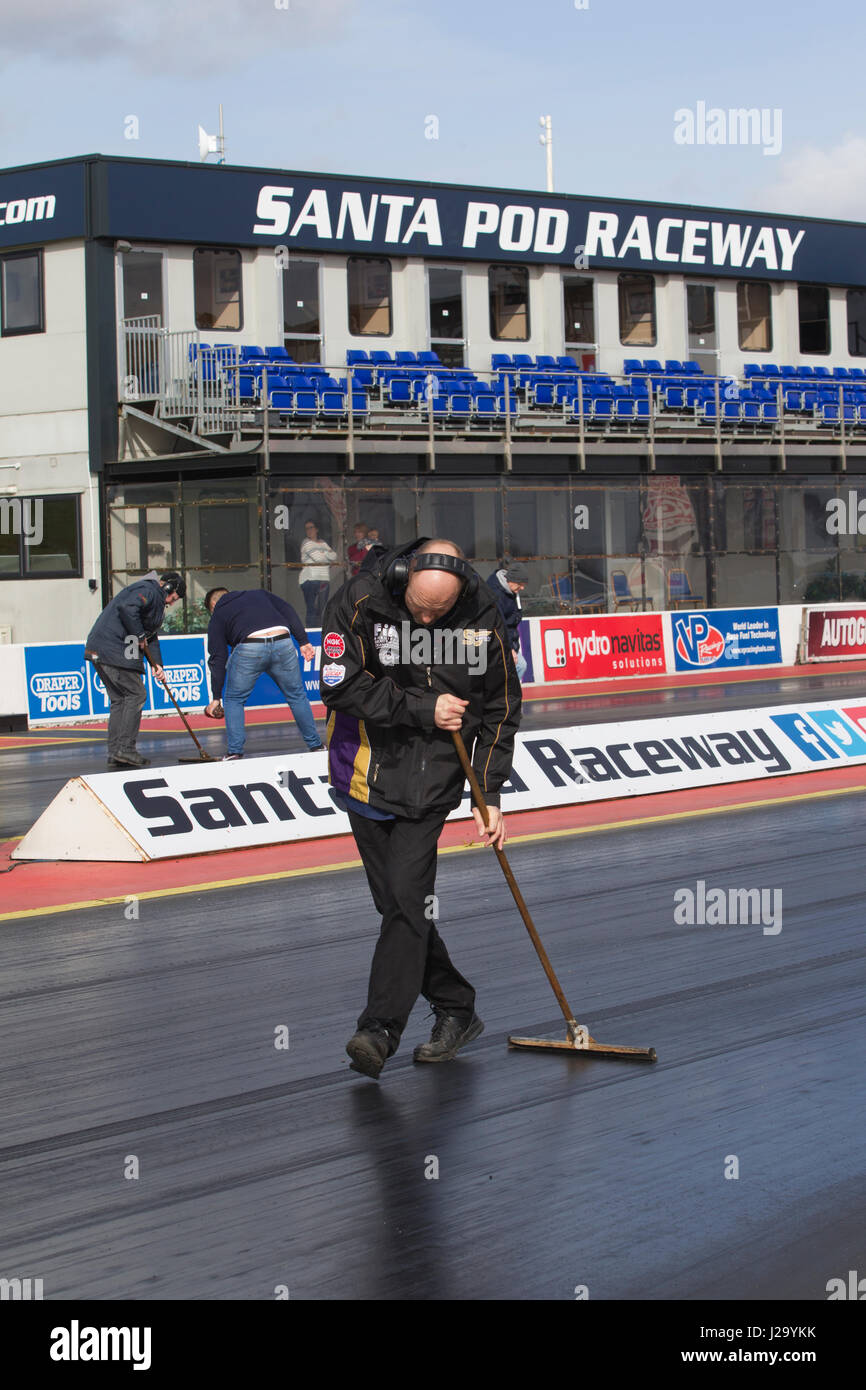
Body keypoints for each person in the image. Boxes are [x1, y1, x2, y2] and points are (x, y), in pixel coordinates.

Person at [319, 537, 522, 1080]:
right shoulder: (359, 600)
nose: (427, 622)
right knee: (398, 908)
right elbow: (338, 686)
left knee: (408, 904)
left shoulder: (482, 614)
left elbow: (502, 707)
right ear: (403, 578)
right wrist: (422, 707)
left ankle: (378, 1031)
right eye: (419, 609)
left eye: (440, 613)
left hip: (434, 782)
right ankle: (457, 1006)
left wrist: (489, 792)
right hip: (365, 774)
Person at [204, 588, 324, 759]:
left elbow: (218, 656)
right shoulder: (259, 594)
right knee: (297, 696)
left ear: (214, 604)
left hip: (250, 645)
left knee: (234, 699)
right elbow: (288, 610)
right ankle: (316, 745)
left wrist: (216, 697)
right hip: (283, 641)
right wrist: (303, 641)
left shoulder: (219, 610)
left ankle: (235, 752)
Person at [84, 569, 185, 768]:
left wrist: (157, 665)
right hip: (114, 650)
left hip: (102, 650)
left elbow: (150, 636)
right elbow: (128, 608)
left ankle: (116, 751)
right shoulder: (148, 590)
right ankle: (125, 749)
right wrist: (138, 635)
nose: (173, 602)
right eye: (174, 597)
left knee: (120, 699)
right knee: (136, 694)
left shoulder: (153, 599)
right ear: (168, 587)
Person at [487, 560, 529, 680]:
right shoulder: (496, 594)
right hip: (497, 641)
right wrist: (509, 648)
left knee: (519, 666)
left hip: (508, 639)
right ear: (511, 580)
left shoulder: (512, 591)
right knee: (519, 666)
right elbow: (499, 624)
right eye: (520, 584)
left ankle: (508, 691)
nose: (522, 587)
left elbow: (515, 617)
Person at [299, 520, 338, 627]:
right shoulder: (306, 543)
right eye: (307, 528)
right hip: (310, 579)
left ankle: (321, 631)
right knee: (311, 609)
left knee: (323, 609)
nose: (309, 530)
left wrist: (323, 553)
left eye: (311, 527)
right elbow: (318, 559)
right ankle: (311, 633)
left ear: (316, 529)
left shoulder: (323, 542)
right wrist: (326, 553)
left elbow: (334, 556)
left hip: (323, 578)